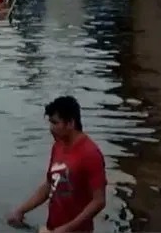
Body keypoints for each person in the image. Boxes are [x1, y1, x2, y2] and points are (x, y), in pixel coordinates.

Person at [6, 96, 107, 233]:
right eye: (50, 123)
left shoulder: (90, 153)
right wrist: (21, 210)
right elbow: (50, 184)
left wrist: (67, 228)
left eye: (55, 123)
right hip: (53, 228)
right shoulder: (58, 146)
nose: (51, 128)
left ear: (70, 123)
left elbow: (99, 201)